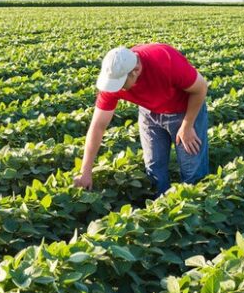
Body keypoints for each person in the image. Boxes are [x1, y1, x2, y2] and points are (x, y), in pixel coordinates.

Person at [73, 42, 209, 197]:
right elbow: (98, 126)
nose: (116, 89)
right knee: (154, 168)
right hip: (149, 113)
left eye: (121, 84)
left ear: (136, 71)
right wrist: (85, 171)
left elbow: (201, 88)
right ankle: (162, 211)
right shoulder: (114, 77)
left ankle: (195, 209)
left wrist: (187, 126)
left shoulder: (164, 60)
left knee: (192, 169)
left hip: (184, 110)